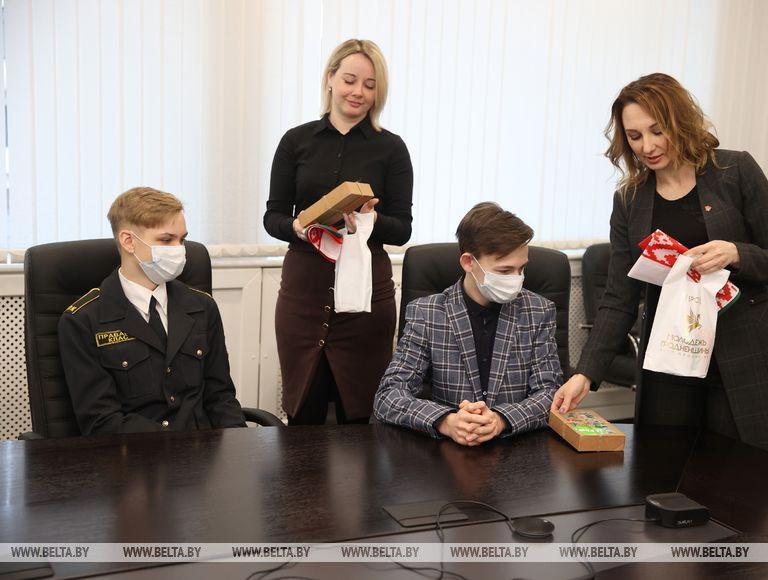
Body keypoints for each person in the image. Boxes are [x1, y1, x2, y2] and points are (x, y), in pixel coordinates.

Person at [553, 73, 768, 456]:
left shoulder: (735, 171)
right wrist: (584, 373)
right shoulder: (630, 200)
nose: (648, 146)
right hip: (670, 359)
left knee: (744, 475)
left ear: (681, 122)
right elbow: (619, 298)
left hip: (741, 355)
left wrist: (736, 253)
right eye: (635, 136)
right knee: (663, 469)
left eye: (658, 131)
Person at [263, 39, 413, 425]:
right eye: (349, 80)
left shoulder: (392, 148)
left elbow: (402, 229)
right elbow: (272, 217)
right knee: (303, 417)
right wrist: (296, 226)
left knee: (361, 420)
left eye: (370, 85)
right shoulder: (295, 141)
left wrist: (371, 220)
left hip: (365, 299)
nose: (358, 92)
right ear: (330, 78)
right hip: (304, 293)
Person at [58, 187, 247, 434]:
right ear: (128, 241)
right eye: (166, 240)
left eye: (182, 239)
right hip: (132, 453)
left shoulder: (202, 306)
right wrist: (175, 447)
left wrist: (240, 445)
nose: (179, 249)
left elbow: (221, 397)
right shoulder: (83, 320)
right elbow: (101, 420)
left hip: (202, 450)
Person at [374, 202, 561, 445]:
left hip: (515, 448)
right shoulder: (427, 313)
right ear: (468, 262)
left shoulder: (538, 311)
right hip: (446, 451)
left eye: (522, 269)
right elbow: (388, 396)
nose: (517, 280)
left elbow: (550, 394)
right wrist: (446, 421)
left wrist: (500, 420)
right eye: (505, 271)